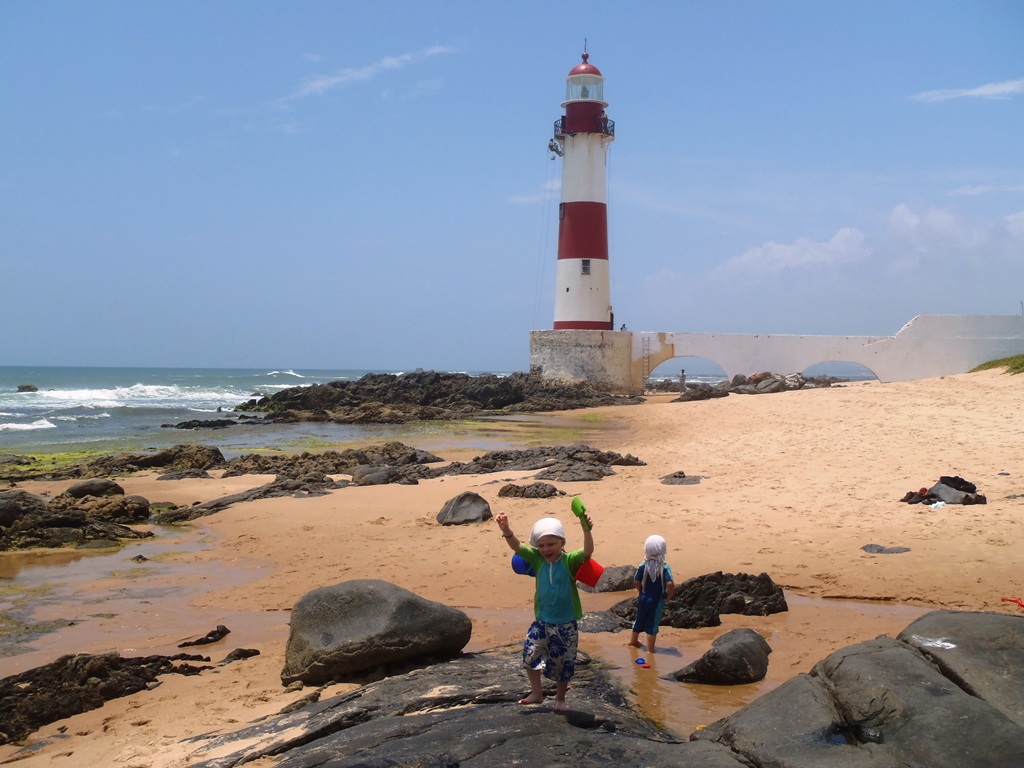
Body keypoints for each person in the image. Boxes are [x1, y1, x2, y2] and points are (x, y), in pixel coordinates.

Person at [495, 508, 595, 711]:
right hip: (541, 621)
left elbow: (587, 552)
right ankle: (537, 693)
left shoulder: (569, 561)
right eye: (541, 545)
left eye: (551, 544)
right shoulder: (537, 560)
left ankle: (560, 699)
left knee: (563, 665)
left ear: (562, 542)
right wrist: (506, 530)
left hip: (565, 624)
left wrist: (586, 530)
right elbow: (518, 547)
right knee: (529, 654)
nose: (546, 549)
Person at [627, 534, 675, 654]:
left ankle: (633, 641)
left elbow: (636, 580)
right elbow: (670, 584)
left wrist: (640, 590)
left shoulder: (643, 565)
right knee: (652, 625)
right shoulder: (664, 567)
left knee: (639, 618)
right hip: (656, 601)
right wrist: (669, 596)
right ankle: (650, 649)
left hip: (643, 598)